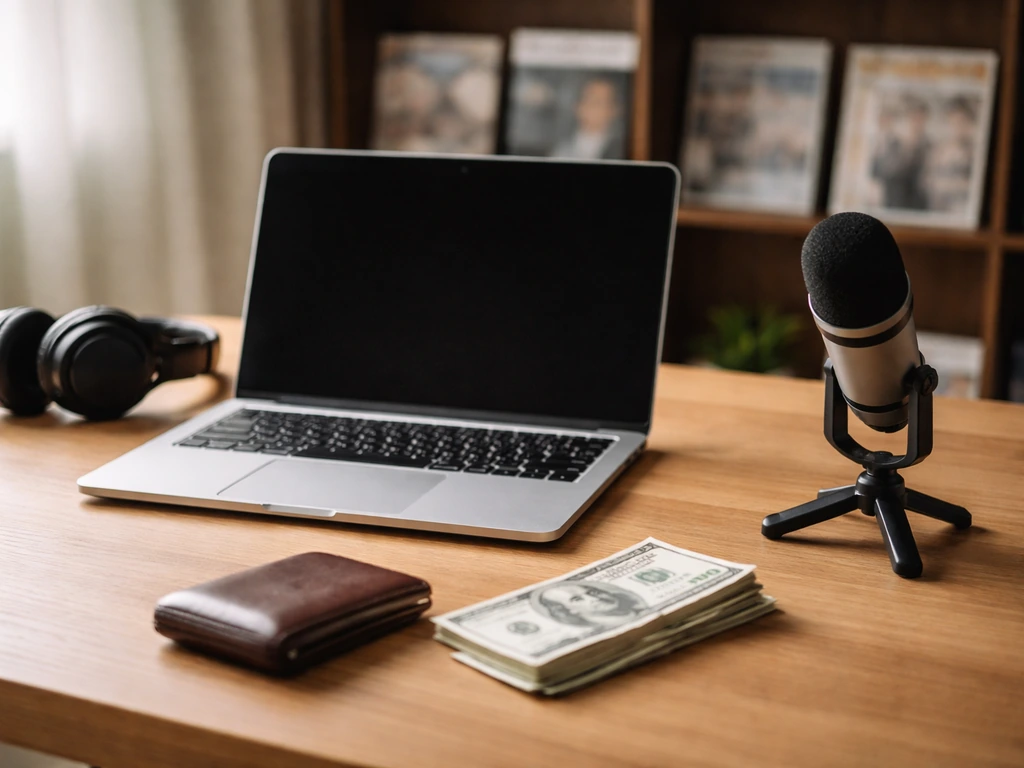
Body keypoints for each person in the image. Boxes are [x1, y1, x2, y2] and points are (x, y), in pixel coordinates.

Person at [550, 77, 625, 160]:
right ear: (577, 106)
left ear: (614, 110)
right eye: (587, 98)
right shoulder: (560, 150)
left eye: (598, 102)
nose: (590, 105)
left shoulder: (623, 150)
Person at [531, 581, 646, 630]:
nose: (594, 598)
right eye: (577, 599)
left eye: (592, 592)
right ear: (568, 610)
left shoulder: (642, 608)